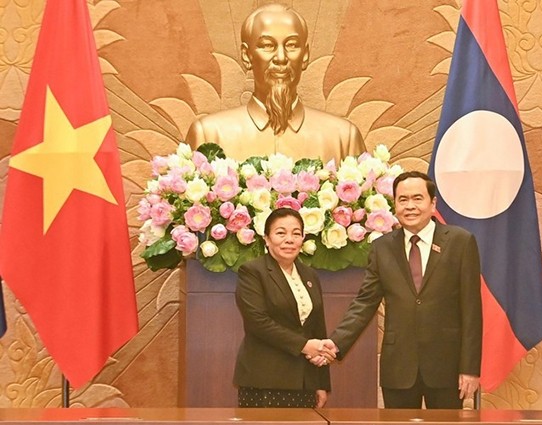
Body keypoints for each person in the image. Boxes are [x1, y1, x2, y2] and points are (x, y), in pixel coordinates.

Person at [324, 171, 482, 409]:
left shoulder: (460, 242)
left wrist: (469, 368)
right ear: (395, 204)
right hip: (399, 367)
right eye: (403, 199)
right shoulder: (382, 248)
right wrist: (336, 344)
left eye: (417, 199)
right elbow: (365, 303)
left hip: (446, 366)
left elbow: (472, 310)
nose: (410, 206)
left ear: (432, 203)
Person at [186, 4, 366, 164]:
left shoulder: (344, 139)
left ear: (305, 56)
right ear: (246, 56)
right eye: (267, 45)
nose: (281, 58)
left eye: (292, 45)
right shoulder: (208, 135)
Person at [234, 207, 336, 408]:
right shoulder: (253, 272)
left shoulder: (310, 275)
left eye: (296, 233)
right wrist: (305, 346)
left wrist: (321, 383)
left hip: (305, 382)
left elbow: (317, 329)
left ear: (303, 238)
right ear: (267, 238)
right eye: (281, 233)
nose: (289, 239)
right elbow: (258, 323)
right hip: (265, 380)